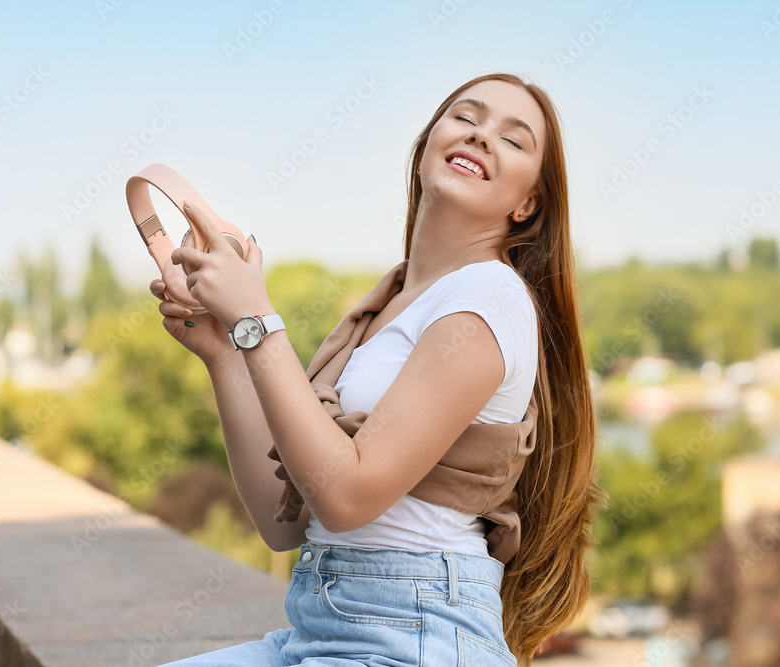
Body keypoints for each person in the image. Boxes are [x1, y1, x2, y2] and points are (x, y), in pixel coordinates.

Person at [149, 72, 603, 667]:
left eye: (514, 140)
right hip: (319, 624)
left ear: (527, 204)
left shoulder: (488, 297)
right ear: (425, 152)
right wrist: (225, 351)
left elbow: (348, 495)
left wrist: (256, 318)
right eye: (466, 118)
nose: (483, 136)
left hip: (416, 634)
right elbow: (286, 523)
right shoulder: (382, 310)